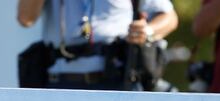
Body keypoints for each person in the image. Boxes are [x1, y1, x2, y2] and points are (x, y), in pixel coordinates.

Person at [17, 0, 177, 90]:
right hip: (61, 84)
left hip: (117, 82)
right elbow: (25, 18)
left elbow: (169, 18)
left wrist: (148, 30)